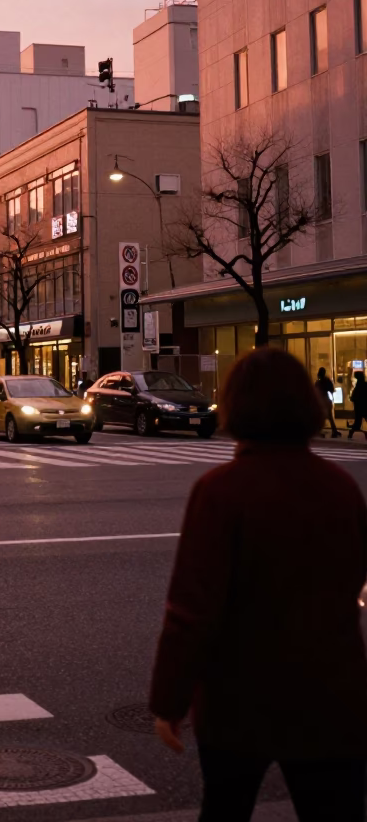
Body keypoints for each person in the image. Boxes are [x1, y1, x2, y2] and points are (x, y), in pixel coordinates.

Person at [150, 347, 367, 821]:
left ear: (235, 406)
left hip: (238, 698)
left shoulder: (222, 490)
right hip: (331, 694)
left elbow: (192, 610)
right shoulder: (340, 486)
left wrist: (169, 700)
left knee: (226, 807)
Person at [315, 366, 340, 438]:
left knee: (321, 416)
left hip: (321, 400)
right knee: (329, 416)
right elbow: (331, 390)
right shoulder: (327, 381)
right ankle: (334, 431)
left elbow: (316, 390)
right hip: (326, 399)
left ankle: (319, 431)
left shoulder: (318, 382)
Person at [348, 369, 367, 441]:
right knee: (359, 422)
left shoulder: (358, 386)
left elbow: (353, 397)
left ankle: (351, 433)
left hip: (359, 407)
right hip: (364, 406)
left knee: (358, 422)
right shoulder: (364, 385)